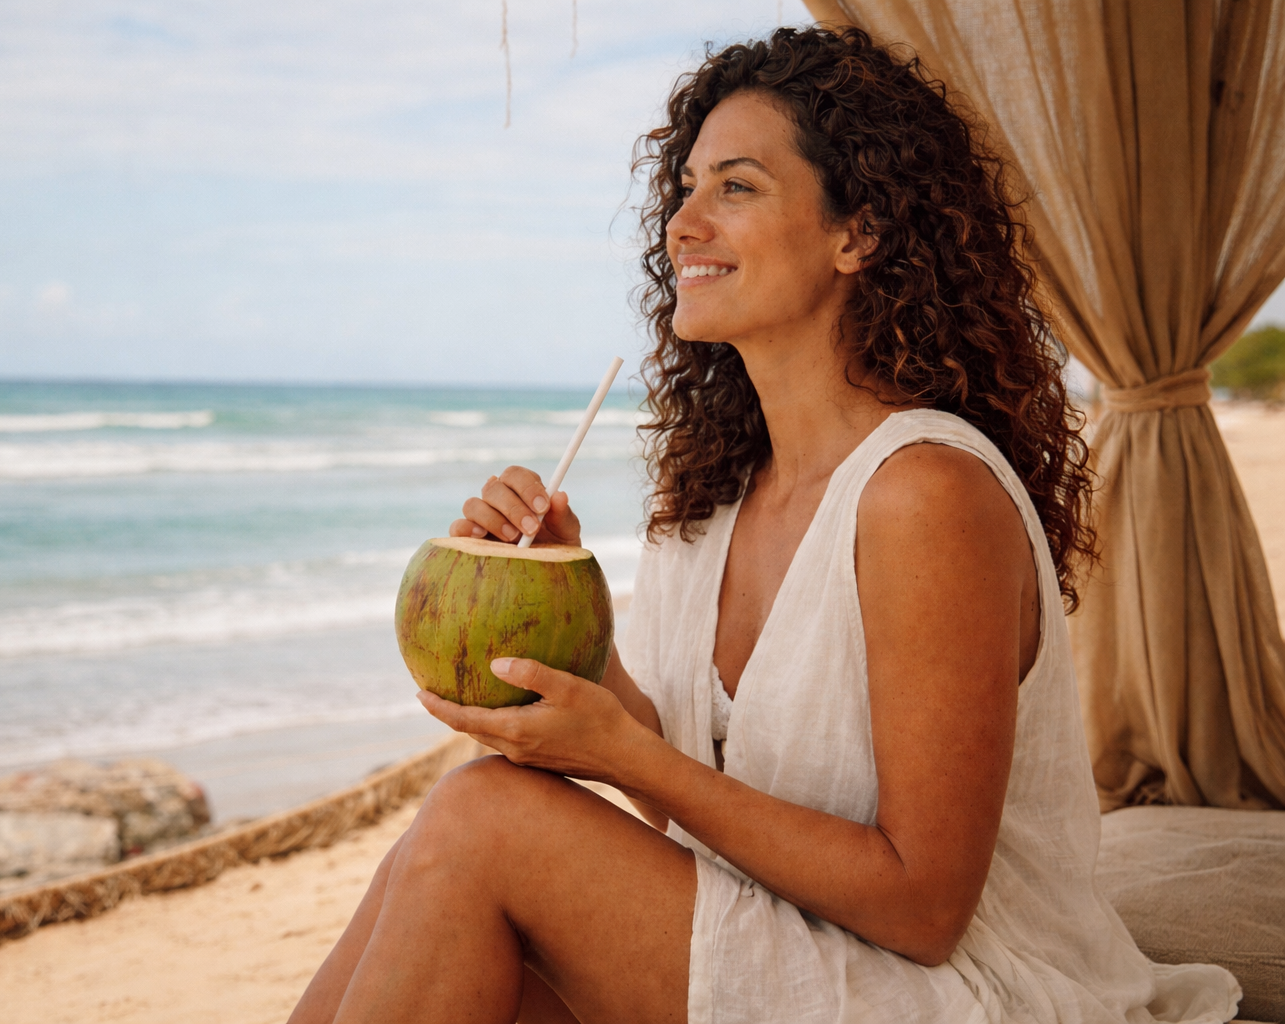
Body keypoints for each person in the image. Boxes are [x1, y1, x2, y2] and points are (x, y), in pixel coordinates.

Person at [289, 26, 1241, 1024]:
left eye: (734, 188)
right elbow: (682, 801)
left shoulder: (926, 492)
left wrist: (622, 752)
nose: (682, 224)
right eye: (686, 188)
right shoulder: (710, 494)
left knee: (482, 818)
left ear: (857, 231)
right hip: (788, 934)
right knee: (441, 877)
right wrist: (569, 623)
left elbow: (924, 905)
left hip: (964, 987)